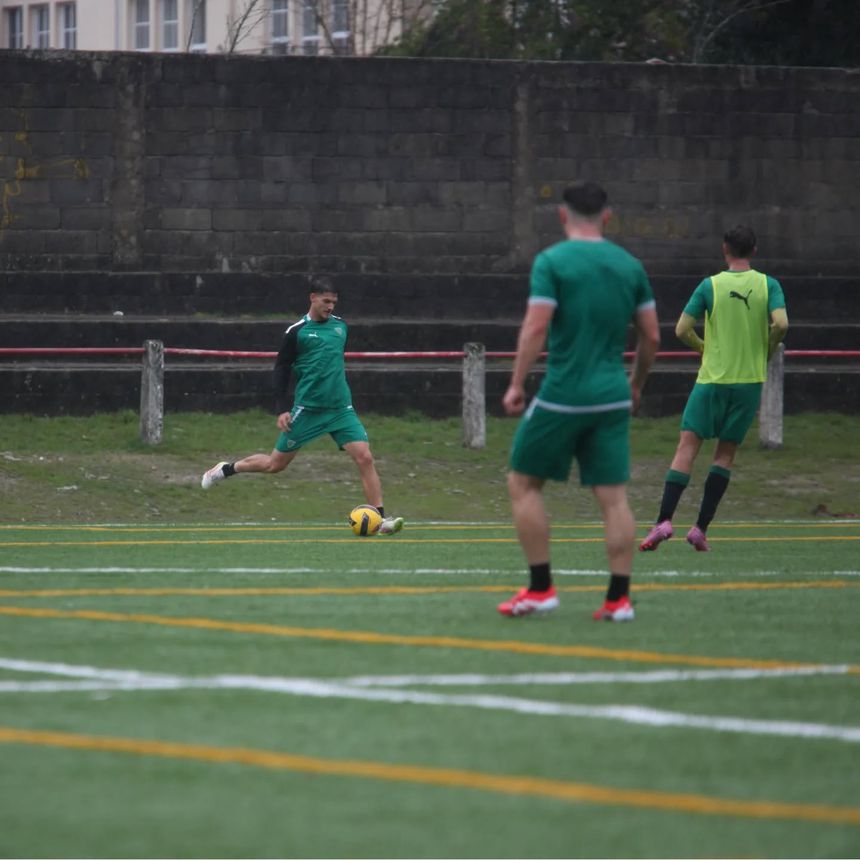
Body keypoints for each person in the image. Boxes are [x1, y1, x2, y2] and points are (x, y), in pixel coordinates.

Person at [498, 181, 660, 622]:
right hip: (611, 396)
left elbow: (535, 328)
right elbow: (651, 335)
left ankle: (540, 589)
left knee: (523, 483)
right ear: (607, 217)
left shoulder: (553, 262)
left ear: (562, 215)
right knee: (613, 497)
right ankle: (618, 599)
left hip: (565, 394)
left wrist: (516, 384)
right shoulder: (630, 266)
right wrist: (635, 384)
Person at [201, 276, 404, 536]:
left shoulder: (341, 327)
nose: (330, 306)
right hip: (307, 410)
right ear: (312, 298)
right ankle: (227, 469)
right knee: (275, 465)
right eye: (326, 301)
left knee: (365, 457)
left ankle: (380, 518)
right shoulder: (296, 332)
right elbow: (281, 369)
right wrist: (282, 408)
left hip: (341, 409)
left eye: (334, 302)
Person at [639, 225, 788, 553]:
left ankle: (664, 520)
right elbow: (782, 324)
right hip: (748, 382)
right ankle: (700, 528)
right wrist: (767, 347)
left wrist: (704, 347)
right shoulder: (769, 285)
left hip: (712, 381)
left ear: (725, 250)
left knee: (686, 449)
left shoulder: (710, 286)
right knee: (725, 454)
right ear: (755, 250)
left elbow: (681, 329)